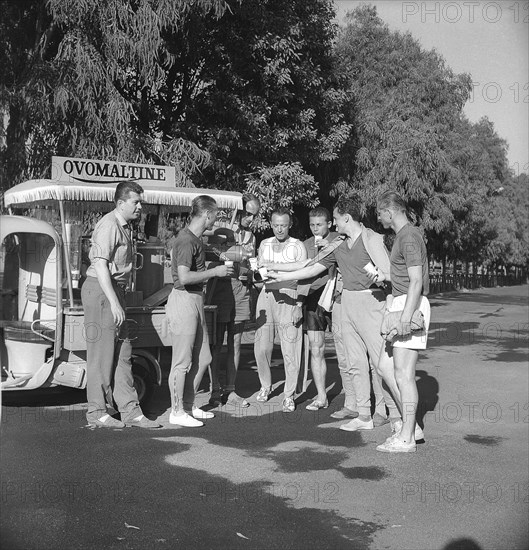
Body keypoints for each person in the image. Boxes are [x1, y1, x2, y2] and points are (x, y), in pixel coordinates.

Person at [267, 196, 399, 429]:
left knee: (379, 364)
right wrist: (278, 275)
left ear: (347, 218)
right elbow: (309, 267)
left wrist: (390, 303)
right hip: (346, 302)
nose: (334, 224)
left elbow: (389, 275)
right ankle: (364, 414)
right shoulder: (339, 243)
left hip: (371, 302)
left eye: (336, 219)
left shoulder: (373, 240)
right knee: (355, 361)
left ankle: (393, 414)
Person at [81, 180, 161, 429]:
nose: (140, 207)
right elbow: (101, 265)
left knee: (124, 353)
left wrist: (118, 300)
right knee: (102, 355)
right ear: (120, 203)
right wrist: (115, 303)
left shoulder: (124, 226)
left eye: (140, 202)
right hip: (103, 292)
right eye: (136, 202)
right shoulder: (109, 225)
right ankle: (96, 412)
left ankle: (130, 411)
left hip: (115, 292)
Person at [165, 195, 234, 427]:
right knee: (182, 361)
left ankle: (187, 405)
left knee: (204, 357)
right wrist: (215, 273)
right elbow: (184, 277)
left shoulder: (196, 239)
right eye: (215, 215)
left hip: (196, 298)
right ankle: (176, 411)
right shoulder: (186, 240)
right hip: (184, 298)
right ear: (207, 214)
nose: (216, 219)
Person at [375, 191, 431, 453]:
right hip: (400, 303)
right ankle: (411, 426)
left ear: (390, 211)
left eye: (379, 212)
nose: (378, 217)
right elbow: (404, 279)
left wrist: (406, 319)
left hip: (411, 306)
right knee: (384, 367)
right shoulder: (402, 236)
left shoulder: (408, 235)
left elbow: (416, 281)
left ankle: (407, 438)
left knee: (404, 374)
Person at [206, 193, 261, 408]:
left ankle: (231, 390)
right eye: (248, 214)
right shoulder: (220, 226)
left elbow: (250, 264)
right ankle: (214, 390)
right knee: (217, 342)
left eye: (254, 216)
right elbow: (210, 252)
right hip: (221, 287)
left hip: (241, 289)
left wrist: (252, 272)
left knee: (236, 342)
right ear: (238, 210)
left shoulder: (251, 236)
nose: (250, 219)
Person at [254, 207, 307, 412]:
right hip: (267, 294)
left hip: (290, 295)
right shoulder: (264, 244)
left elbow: (304, 276)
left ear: (289, 225)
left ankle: (289, 394)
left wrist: (299, 305)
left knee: (290, 348)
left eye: (283, 225)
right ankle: (265, 385)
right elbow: (259, 272)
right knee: (262, 346)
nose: (279, 229)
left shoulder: (297, 245)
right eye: (275, 225)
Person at [295, 207, 339, 411]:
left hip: (337, 296)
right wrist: (298, 302)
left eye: (319, 224)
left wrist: (329, 247)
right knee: (316, 347)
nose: (315, 229)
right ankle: (322, 396)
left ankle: (357, 399)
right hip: (313, 299)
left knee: (346, 347)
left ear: (329, 224)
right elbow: (301, 274)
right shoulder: (304, 245)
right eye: (312, 225)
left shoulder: (341, 238)